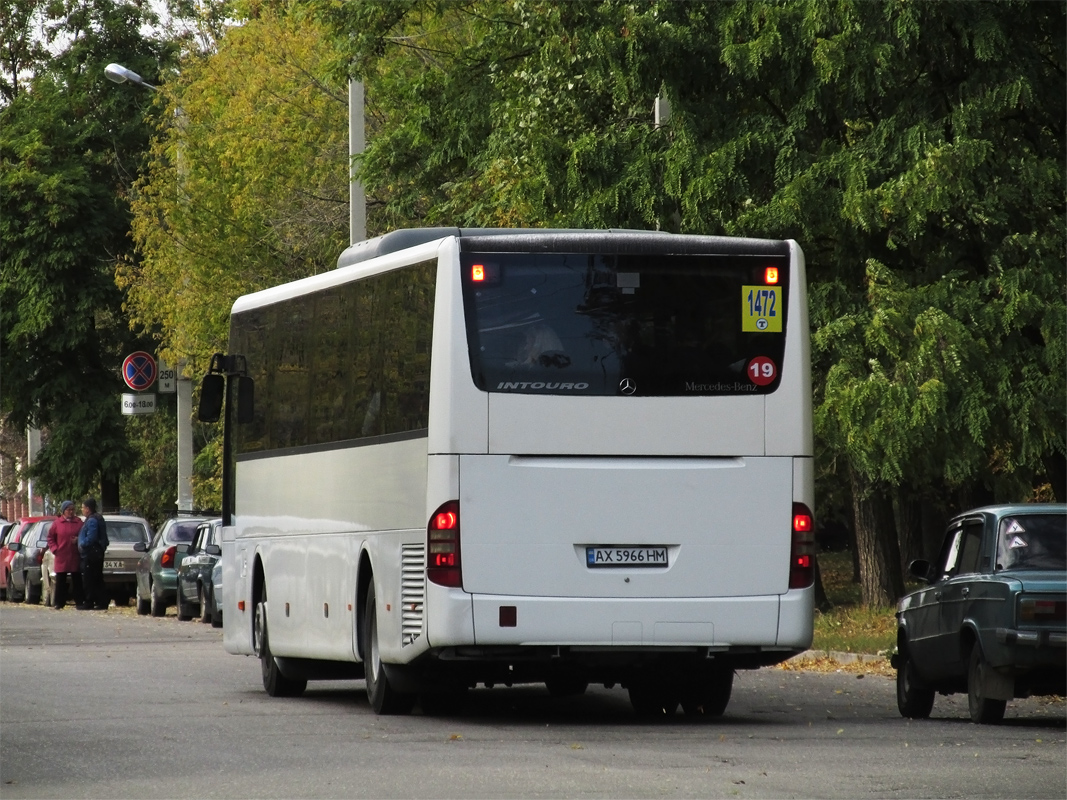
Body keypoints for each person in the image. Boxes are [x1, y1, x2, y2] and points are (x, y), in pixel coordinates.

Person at [47, 501, 84, 609]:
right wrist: (55, 549)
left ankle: (79, 601)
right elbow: (50, 538)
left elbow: (83, 534)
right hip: (61, 555)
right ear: (63, 511)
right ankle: (59, 602)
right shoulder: (57, 523)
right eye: (68, 510)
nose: (71, 512)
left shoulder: (78, 522)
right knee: (61, 580)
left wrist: (78, 540)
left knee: (77, 579)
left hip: (74, 555)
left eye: (73, 510)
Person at [77, 498, 109, 610]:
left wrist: (82, 544)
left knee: (89, 578)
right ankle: (101, 601)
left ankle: (90, 601)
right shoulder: (98, 518)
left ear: (87, 508)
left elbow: (91, 537)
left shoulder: (91, 520)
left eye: (83, 507)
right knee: (97, 577)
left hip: (91, 553)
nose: (82, 509)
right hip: (97, 552)